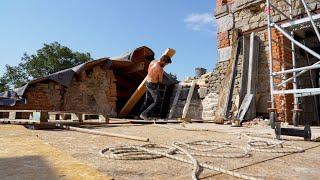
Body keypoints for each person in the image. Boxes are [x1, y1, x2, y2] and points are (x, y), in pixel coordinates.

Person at [139, 49, 175, 120]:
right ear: (163, 61)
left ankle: (138, 115)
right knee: (158, 101)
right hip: (152, 85)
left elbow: (149, 70)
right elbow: (160, 80)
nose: (165, 65)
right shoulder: (160, 69)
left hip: (147, 82)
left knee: (147, 100)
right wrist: (169, 82)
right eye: (166, 64)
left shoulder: (153, 62)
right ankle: (144, 114)